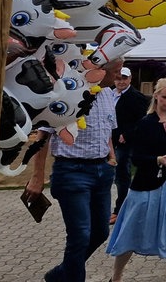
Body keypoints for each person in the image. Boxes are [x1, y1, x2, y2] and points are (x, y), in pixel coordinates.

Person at [24, 59, 120, 282]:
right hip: (72, 171)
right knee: (80, 236)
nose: (118, 77)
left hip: (102, 171)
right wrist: (37, 177)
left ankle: (60, 275)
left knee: (100, 232)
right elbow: (43, 135)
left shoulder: (107, 94)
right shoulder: (68, 91)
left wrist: (111, 157)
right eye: (115, 72)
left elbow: (108, 131)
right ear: (100, 71)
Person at [107, 78, 166, 281]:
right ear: (156, 96)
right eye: (165, 97)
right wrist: (158, 160)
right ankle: (116, 277)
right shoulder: (146, 123)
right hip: (146, 186)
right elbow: (136, 158)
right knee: (131, 233)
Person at [112, 65, 149, 224]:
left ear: (130, 79)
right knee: (114, 174)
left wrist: (126, 134)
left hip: (125, 141)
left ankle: (121, 207)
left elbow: (141, 121)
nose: (121, 82)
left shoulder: (136, 96)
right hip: (110, 140)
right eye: (118, 78)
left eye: (124, 78)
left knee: (122, 174)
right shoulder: (110, 94)